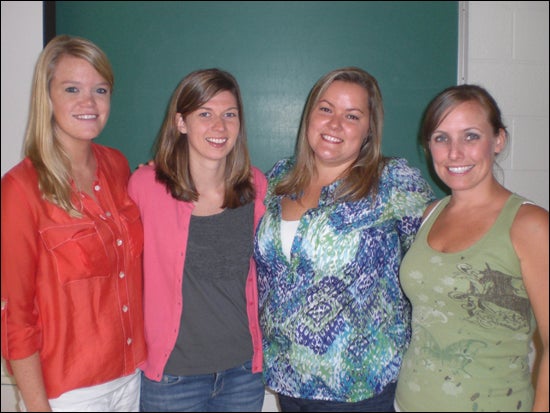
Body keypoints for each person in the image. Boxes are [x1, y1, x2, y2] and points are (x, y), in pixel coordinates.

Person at [253, 66, 435, 412]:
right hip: (287, 380)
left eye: (352, 116)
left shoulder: (393, 183)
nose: (335, 124)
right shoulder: (278, 180)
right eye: (326, 109)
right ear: (309, 114)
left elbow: (438, 253)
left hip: (358, 388)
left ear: (368, 130)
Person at [1, 35, 146, 412]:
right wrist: (37, 406)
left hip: (132, 376)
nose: (89, 102)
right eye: (72, 89)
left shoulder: (117, 165)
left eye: (100, 89)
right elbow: (16, 315)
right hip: (69, 393)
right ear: (47, 97)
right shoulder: (20, 189)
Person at [394, 84, 549, 412]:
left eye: (471, 136)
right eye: (441, 138)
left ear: (498, 140)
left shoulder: (529, 224)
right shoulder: (430, 214)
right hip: (407, 404)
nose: (454, 153)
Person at [128, 68, 267, 412]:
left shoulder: (255, 187)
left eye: (229, 115)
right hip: (174, 378)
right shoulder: (146, 186)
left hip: (242, 375)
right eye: (205, 114)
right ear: (181, 122)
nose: (219, 126)